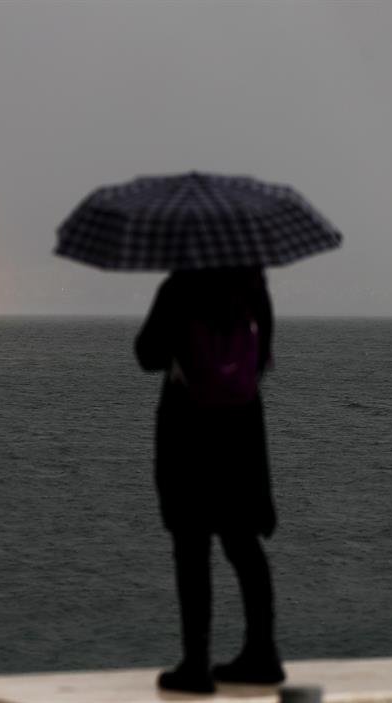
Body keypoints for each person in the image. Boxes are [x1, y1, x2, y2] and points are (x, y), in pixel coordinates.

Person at [135, 267, 285, 693]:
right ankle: (262, 651)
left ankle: (196, 663)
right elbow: (262, 358)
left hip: (189, 428)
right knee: (243, 542)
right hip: (241, 430)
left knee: (191, 543)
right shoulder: (254, 289)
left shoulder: (181, 286)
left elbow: (148, 353)